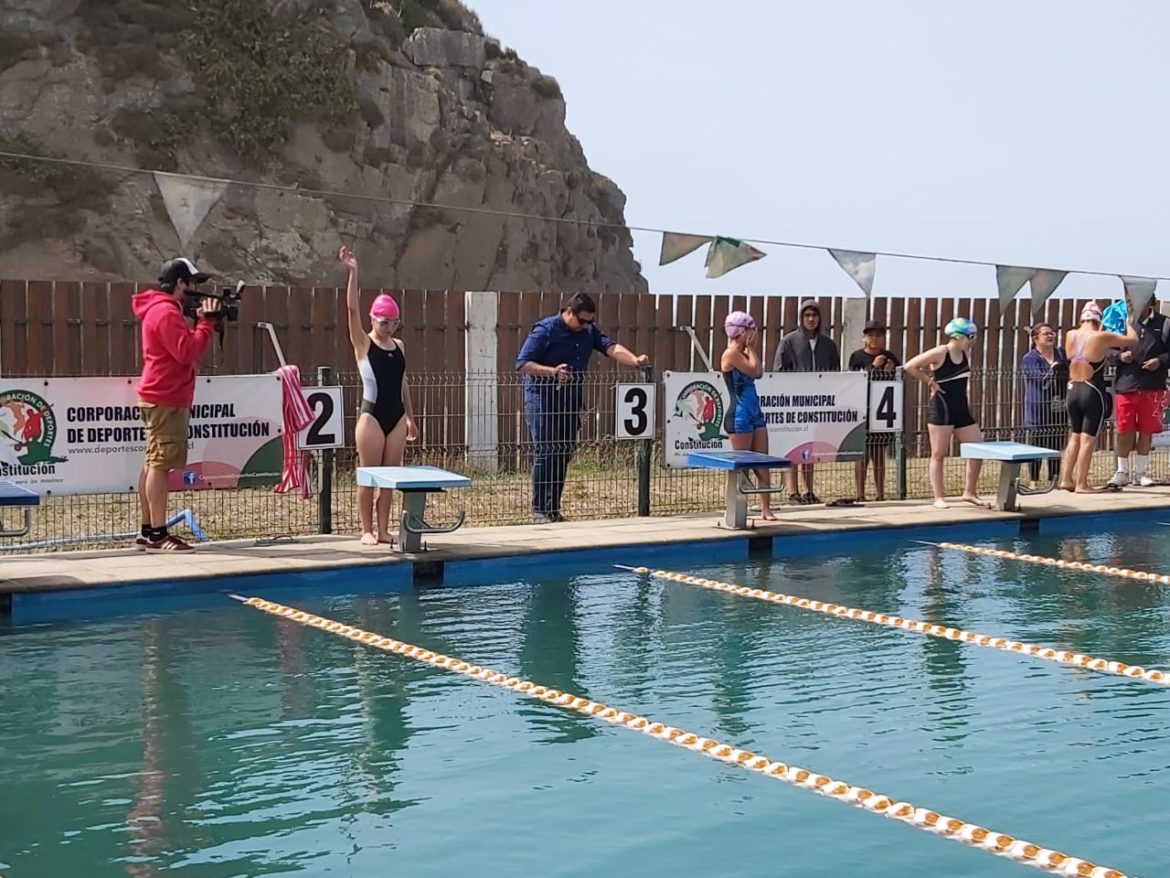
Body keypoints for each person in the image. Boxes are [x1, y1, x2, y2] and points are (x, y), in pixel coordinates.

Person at [516, 293, 649, 523]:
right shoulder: (545, 330)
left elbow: (611, 347)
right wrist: (552, 372)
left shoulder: (589, 331)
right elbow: (522, 363)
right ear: (569, 312)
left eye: (590, 321)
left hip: (570, 401)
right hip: (542, 399)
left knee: (564, 452)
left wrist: (635, 360)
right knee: (546, 451)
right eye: (583, 321)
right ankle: (539, 509)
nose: (587, 326)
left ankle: (553, 509)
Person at [132, 257, 221, 552]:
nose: (196, 291)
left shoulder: (160, 309)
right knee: (160, 464)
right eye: (193, 284)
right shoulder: (166, 312)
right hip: (166, 397)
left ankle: (148, 530)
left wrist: (199, 322)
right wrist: (206, 324)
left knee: (153, 461)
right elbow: (186, 351)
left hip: (161, 395)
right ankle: (157, 534)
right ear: (180, 283)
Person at [340, 245, 418, 546]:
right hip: (371, 416)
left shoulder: (399, 346)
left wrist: (410, 417)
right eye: (384, 322)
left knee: (390, 479)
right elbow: (351, 310)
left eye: (394, 322)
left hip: (396, 417)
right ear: (373, 320)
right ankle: (367, 529)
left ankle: (384, 529)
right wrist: (353, 272)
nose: (389, 327)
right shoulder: (363, 343)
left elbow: (402, 382)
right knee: (369, 476)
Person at [903, 317, 988, 509]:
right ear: (957, 336)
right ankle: (938, 497)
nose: (973, 341)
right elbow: (910, 366)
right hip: (942, 408)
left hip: (961, 409)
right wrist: (929, 381)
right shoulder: (941, 352)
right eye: (971, 337)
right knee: (939, 454)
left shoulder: (966, 352)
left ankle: (969, 492)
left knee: (977, 448)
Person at [1061, 302, 1138, 492]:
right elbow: (1132, 340)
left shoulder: (1071, 334)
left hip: (1072, 389)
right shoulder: (1101, 337)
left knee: (1075, 436)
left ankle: (1066, 479)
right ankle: (1081, 483)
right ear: (1099, 320)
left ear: (1082, 318)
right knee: (1088, 439)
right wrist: (1127, 321)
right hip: (1091, 391)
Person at [773, 299, 839, 504]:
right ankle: (793, 492)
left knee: (811, 449)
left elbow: (835, 373)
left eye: (814, 315)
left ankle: (809, 490)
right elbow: (779, 370)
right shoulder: (789, 341)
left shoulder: (828, 344)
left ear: (820, 318)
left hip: (818, 405)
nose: (811, 319)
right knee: (793, 449)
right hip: (794, 404)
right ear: (801, 318)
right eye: (807, 316)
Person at [1104, 296, 1170, 488]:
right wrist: (1120, 356)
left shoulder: (1165, 324)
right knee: (1124, 429)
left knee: (1146, 430)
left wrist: (1160, 361)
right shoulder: (1123, 323)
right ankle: (1121, 471)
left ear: (1151, 303)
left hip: (1153, 386)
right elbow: (1107, 350)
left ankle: (1141, 473)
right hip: (1127, 384)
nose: (1134, 307)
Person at [720, 311, 777, 520]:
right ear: (742, 332)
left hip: (755, 413)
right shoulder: (731, 354)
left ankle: (766, 508)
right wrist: (752, 348)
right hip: (739, 416)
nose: (756, 334)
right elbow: (756, 371)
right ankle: (734, 508)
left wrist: (750, 349)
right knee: (741, 467)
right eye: (753, 331)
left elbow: (757, 370)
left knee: (762, 462)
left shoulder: (744, 353)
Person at [848, 319, 901, 501]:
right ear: (865, 338)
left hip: (882, 412)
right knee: (861, 456)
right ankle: (860, 494)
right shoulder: (857, 357)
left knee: (879, 456)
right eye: (871, 335)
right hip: (863, 409)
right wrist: (873, 368)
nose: (874, 339)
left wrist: (891, 371)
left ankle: (880, 494)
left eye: (878, 335)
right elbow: (855, 381)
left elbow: (898, 382)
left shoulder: (891, 357)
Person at [1019, 323, 1069, 486]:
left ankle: (1053, 480)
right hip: (1038, 409)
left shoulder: (1061, 354)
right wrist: (1053, 371)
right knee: (1036, 446)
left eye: (1052, 333)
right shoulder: (1030, 358)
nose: (1050, 336)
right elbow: (1038, 379)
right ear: (1036, 338)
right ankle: (1034, 480)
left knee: (1055, 446)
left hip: (1059, 407)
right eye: (1046, 333)